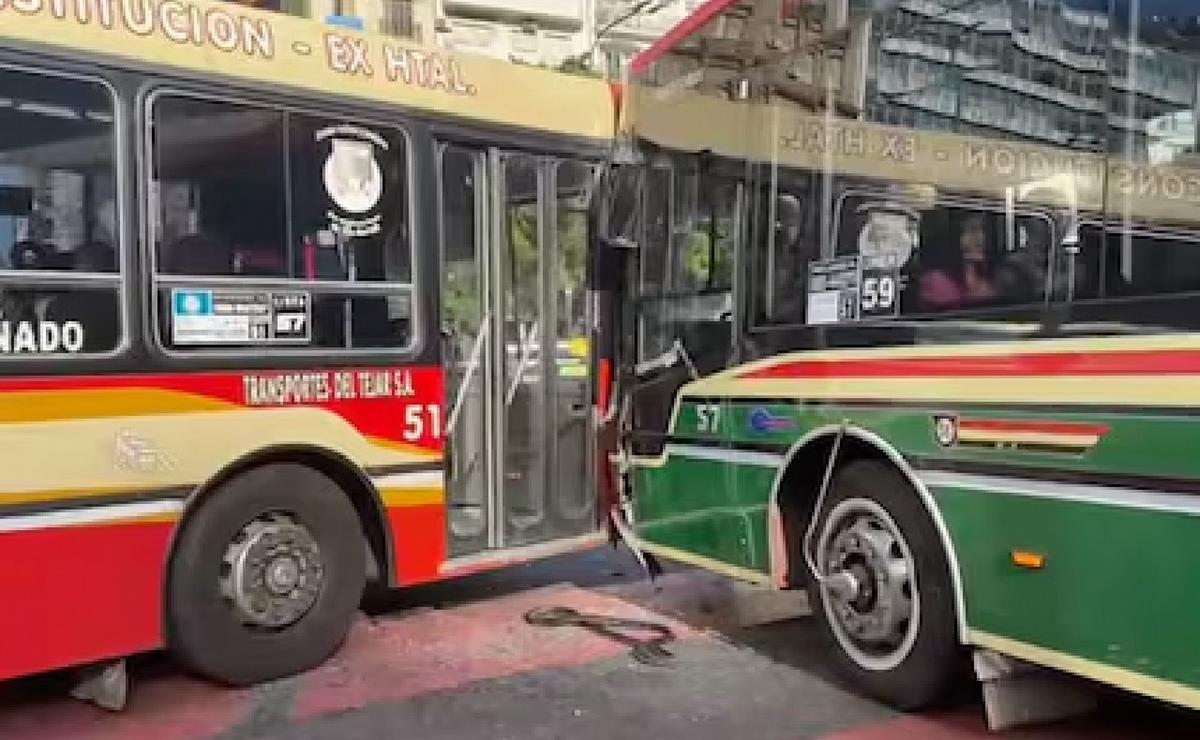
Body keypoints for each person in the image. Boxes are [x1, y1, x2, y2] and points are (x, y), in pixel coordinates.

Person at [920, 212, 997, 311]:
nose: (980, 238)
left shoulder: (988, 279)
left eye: (983, 230)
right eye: (972, 230)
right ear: (955, 237)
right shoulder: (935, 280)